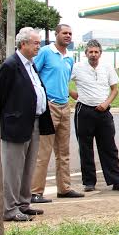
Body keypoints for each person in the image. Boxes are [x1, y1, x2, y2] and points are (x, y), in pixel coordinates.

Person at [0, 27, 55, 221]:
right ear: (23, 44)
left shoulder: (31, 64)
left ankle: (23, 203)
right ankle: (9, 209)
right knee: (12, 169)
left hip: (34, 122)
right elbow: (0, 97)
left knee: (28, 166)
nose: (38, 46)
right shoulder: (10, 65)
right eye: (35, 43)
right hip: (16, 125)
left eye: (39, 43)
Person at [31, 24, 84, 202]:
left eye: (70, 33)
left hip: (64, 107)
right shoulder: (46, 52)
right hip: (49, 106)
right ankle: (35, 192)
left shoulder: (69, 58)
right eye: (64, 33)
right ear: (56, 35)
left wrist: (70, 94)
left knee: (64, 152)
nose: (68, 36)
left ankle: (64, 188)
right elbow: (33, 74)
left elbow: (63, 80)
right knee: (43, 152)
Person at [70, 39, 119, 193]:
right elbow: (63, 82)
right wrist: (74, 95)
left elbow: (115, 89)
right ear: (86, 53)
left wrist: (106, 103)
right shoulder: (77, 68)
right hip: (84, 111)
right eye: (91, 52)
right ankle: (89, 182)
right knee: (85, 148)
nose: (93, 55)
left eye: (96, 52)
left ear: (100, 53)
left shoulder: (107, 67)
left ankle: (117, 180)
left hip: (103, 112)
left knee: (109, 147)